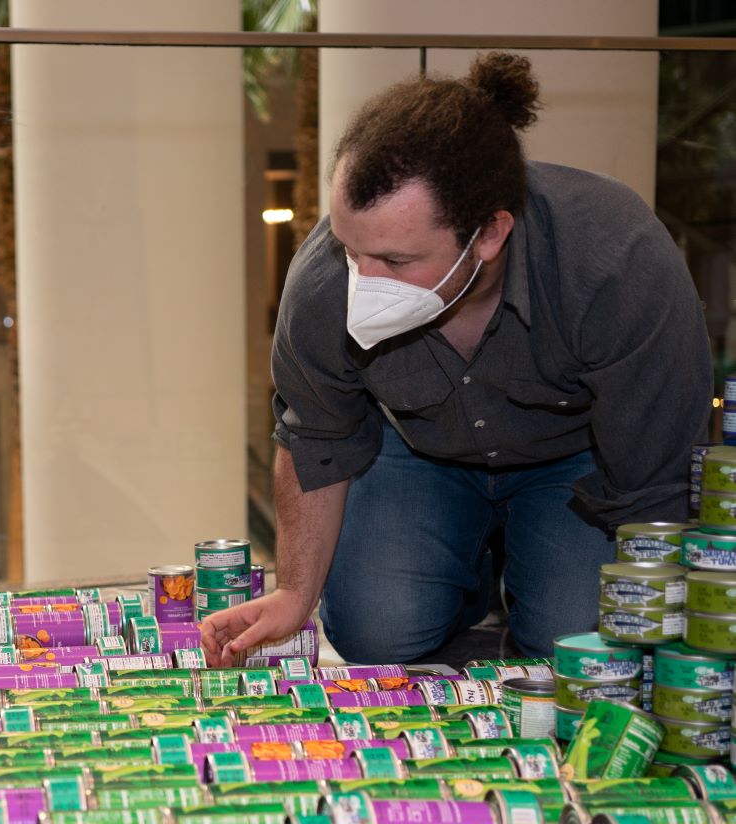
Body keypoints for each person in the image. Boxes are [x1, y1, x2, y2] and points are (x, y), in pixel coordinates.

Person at [203, 53, 711, 668]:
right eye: (350, 249)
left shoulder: (616, 263)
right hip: (419, 454)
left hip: (575, 463)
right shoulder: (321, 283)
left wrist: (651, 633)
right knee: (375, 633)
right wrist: (294, 591)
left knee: (578, 645)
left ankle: (524, 578)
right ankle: (465, 581)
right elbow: (317, 437)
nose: (362, 280)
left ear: (489, 234)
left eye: (396, 261)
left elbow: (655, 485)